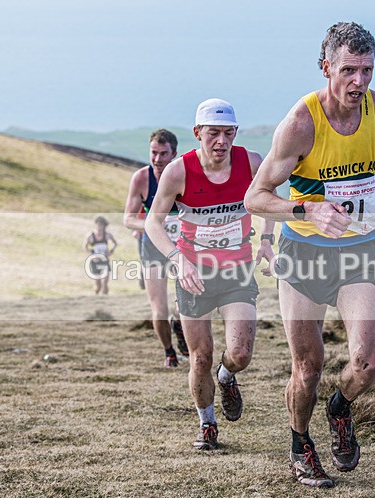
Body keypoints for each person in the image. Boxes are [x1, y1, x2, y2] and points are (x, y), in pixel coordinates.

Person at [244, 22, 375, 488]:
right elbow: (256, 197)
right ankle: (300, 446)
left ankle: (340, 408)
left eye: (367, 70)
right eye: (349, 70)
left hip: (360, 249)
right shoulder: (301, 124)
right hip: (305, 253)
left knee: (367, 364)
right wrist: (307, 208)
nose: (359, 81)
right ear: (326, 67)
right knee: (308, 368)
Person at [145, 98, 275, 451]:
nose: (221, 141)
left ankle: (227, 375)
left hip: (236, 270)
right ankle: (207, 424)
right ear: (197, 133)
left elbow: (269, 201)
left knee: (241, 352)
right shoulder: (179, 172)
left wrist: (266, 240)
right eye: (213, 133)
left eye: (228, 133)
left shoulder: (251, 162)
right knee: (200, 356)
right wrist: (177, 259)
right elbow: (153, 222)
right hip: (194, 274)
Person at [123, 129, 188, 368]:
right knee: (159, 308)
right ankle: (169, 352)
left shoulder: (183, 176)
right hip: (152, 246)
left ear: (174, 154)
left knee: (184, 306)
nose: (157, 159)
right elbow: (128, 218)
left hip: (182, 247)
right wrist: (152, 225)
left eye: (163, 154)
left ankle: (180, 327)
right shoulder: (141, 178)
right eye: (153, 152)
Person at [83, 215, 117, 295]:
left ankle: (105, 297)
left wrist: (110, 251)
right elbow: (85, 247)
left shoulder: (107, 235)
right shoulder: (90, 236)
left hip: (104, 260)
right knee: (98, 285)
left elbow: (115, 243)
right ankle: (96, 296)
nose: (99, 227)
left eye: (101, 225)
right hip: (95, 261)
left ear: (104, 226)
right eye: (98, 225)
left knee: (105, 281)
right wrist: (92, 255)